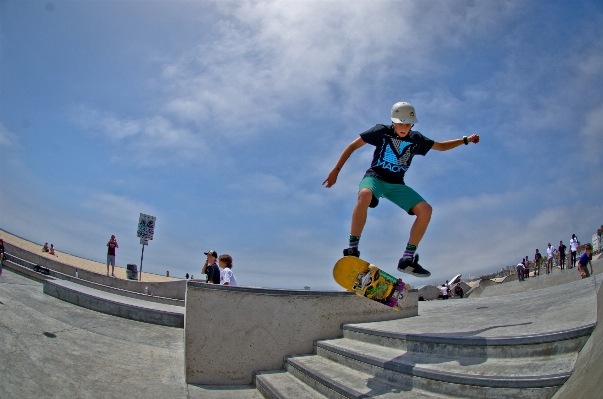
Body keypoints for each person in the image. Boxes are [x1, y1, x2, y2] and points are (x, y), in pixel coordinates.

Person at [323, 101, 480, 277]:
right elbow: (353, 146)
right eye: (400, 123)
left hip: (397, 184)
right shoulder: (380, 131)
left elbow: (441, 146)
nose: (403, 127)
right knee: (365, 195)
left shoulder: (416, 139)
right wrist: (336, 170)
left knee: (425, 210)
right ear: (393, 121)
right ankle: (352, 248)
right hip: (375, 178)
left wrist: (465, 139)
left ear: (412, 124)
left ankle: (407, 259)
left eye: (407, 124)